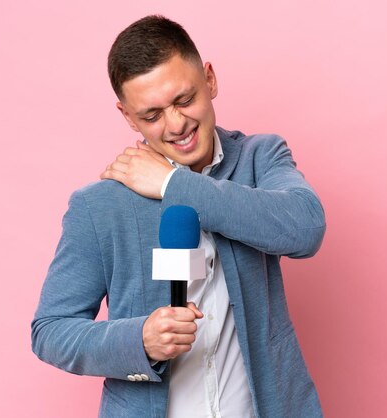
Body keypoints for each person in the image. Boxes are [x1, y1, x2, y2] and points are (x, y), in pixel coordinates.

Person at [31, 15, 326, 418]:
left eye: (184, 100)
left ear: (210, 79)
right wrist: (140, 340)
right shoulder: (98, 205)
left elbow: (305, 228)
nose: (177, 125)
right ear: (127, 116)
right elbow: (50, 331)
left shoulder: (261, 158)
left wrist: (174, 184)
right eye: (151, 115)